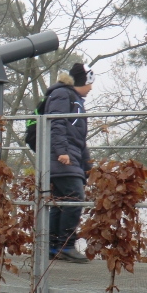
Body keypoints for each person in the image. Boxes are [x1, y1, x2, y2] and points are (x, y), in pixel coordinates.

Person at [46, 63, 94, 263]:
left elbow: (79, 139)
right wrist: (62, 152)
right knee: (74, 197)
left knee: (62, 201)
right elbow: (56, 123)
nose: (91, 88)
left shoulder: (73, 98)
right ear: (82, 81)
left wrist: (87, 165)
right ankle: (65, 245)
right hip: (62, 157)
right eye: (90, 83)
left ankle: (53, 246)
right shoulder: (63, 95)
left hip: (69, 155)